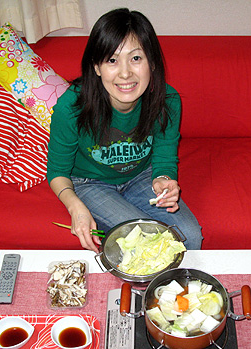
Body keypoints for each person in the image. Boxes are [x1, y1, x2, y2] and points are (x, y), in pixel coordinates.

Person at [47, 8, 202, 253]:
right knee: (143, 242)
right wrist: (75, 206)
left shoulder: (167, 100)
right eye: (112, 60)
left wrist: (163, 179)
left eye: (136, 58)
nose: (125, 73)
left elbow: (164, 156)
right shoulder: (71, 107)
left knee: (190, 237)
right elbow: (57, 171)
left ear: (151, 62)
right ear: (96, 67)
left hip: (141, 176)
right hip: (90, 183)